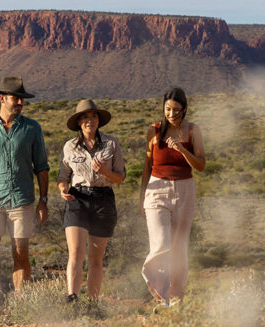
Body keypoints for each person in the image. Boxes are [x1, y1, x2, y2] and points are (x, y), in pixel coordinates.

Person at [0, 76, 50, 320]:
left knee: (20, 252)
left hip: (22, 200)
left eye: (22, 99)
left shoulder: (32, 128)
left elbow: (41, 167)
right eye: (16, 98)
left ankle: (21, 304)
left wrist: (43, 201)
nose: (21, 103)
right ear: (2, 99)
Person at [139, 87, 206, 308]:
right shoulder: (154, 131)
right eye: (167, 109)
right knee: (160, 245)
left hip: (185, 191)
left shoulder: (193, 131)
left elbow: (201, 165)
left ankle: (176, 302)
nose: (171, 114)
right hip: (156, 191)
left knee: (179, 249)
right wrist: (142, 198)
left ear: (184, 109)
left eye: (176, 110)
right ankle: (160, 294)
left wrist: (182, 151)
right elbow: (147, 166)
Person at [57, 99, 125, 302]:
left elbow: (120, 177)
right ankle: (72, 297)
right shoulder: (70, 146)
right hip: (77, 199)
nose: (90, 120)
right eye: (85, 117)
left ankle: (93, 303)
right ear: (79, 122)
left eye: (93, 116)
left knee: (96, 258)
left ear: (98, 120)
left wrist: (105, 171)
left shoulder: (111, 144)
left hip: (103, 200)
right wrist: (62, 189)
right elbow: (63, 176)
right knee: (76, 252)